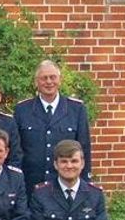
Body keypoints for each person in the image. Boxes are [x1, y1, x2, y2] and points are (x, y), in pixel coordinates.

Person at [14, 60, 91, 191]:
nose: (49, 82)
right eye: (44, 78)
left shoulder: (76, 109)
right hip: (30, 185)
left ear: (60, 80)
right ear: (36, 82)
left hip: (65, 186)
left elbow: (84, 148)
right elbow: (16, 150)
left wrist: (84, 186)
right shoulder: (22, 110)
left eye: (53, 77)